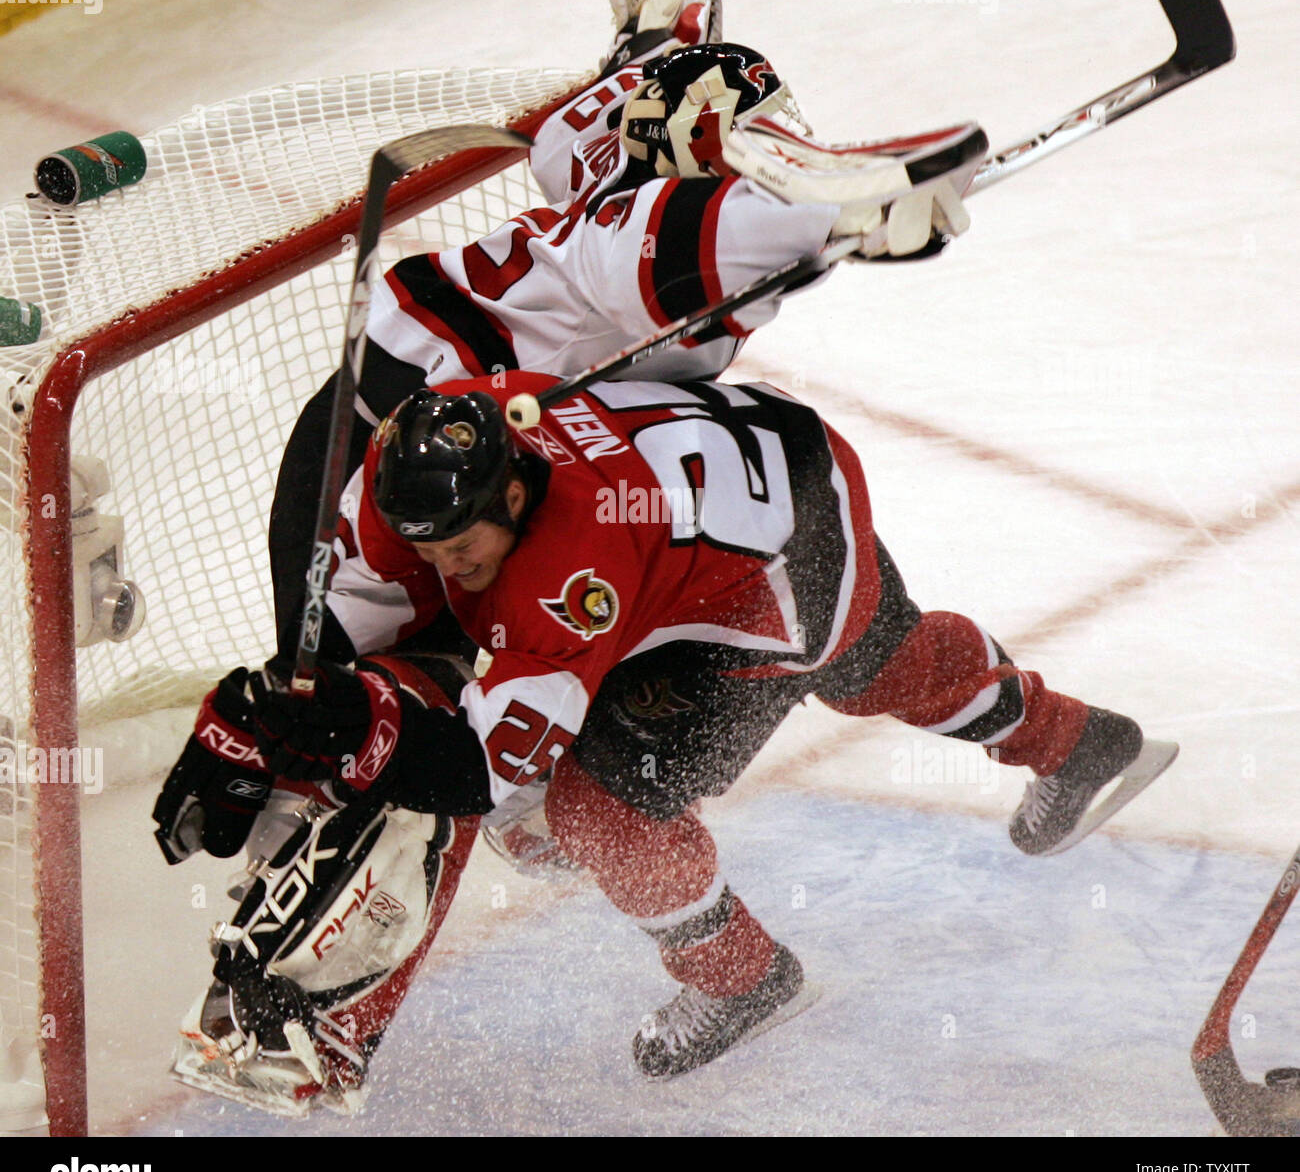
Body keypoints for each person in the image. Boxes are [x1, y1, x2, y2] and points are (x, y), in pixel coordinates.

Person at [155, 371, 1176, 1107]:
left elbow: (468, 771)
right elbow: (384, 626)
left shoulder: (568, 575)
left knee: (592, 805)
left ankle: (740, 977)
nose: (448, 569)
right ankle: (1079, 739)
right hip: (780, 470)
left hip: (771, 582)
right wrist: (301, 705)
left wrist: (352, 733)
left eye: (464, 549)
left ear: (514, 497)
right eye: (431, 549)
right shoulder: (451, 446)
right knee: (885, 658)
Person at [269, 0, 979, 667]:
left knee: (422, 693)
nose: (755, 174)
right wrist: (853, 213)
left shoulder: (609, 139)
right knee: (339, 694)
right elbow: (707, 234)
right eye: (749, 152)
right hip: (392, 449)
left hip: (461, 441)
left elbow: (631, 84)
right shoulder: (633, 238)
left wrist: (660, 37)